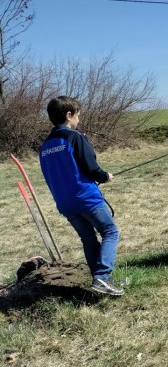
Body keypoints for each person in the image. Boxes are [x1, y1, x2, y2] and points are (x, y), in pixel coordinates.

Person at [39, 96, 124, 296]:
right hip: (86, 198)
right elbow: (91, 167)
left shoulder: (44, 147)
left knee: (89, 240)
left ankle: (98, 283)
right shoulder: (74, 137)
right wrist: (105, 176)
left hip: (64, 203)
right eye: (78, 115)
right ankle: (103, 277)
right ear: (69, 115)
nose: (79, 119)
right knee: (110, 232)